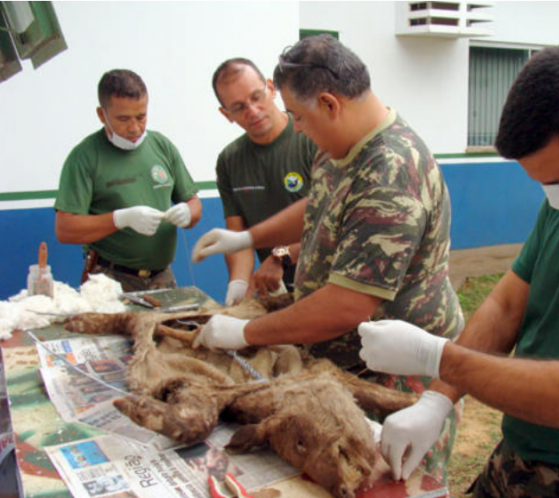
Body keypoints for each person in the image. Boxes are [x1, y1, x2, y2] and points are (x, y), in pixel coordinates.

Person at [359, 45, 559, 497]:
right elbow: (505, 305)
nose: (554, 197)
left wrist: (436, 356)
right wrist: (438, 398)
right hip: (520, 450)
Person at [192, 35, 463, 490]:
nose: (295, 127)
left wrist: (244, 332)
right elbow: (319, 203)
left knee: (387, 484)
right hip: (344, 365)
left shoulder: (390, 171)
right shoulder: (342, 146)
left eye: (298, 116)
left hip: (393, 382)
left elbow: (345, 306)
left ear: (329, 103)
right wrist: (249, 237)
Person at [55, 69, 202, 292]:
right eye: (123, 119)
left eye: (141, 116)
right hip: (109, 279)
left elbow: (194, 204)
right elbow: (65, 230)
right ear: (102, 115)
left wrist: (188, 212)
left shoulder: (161, 146)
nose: (134, 128)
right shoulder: (84, 158)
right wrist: (120, 219)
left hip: (162, 277)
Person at [212, 58, 316, 305]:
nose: (253, 111)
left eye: (257, 96)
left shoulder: (312, 138)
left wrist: (281, 256)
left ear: (271, 88)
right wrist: (239, 283)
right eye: (238, 107)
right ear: (226, 114)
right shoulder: (230, 160)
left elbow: (335, 227)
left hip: (328, 285)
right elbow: (238, 238)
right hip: (278, 291)